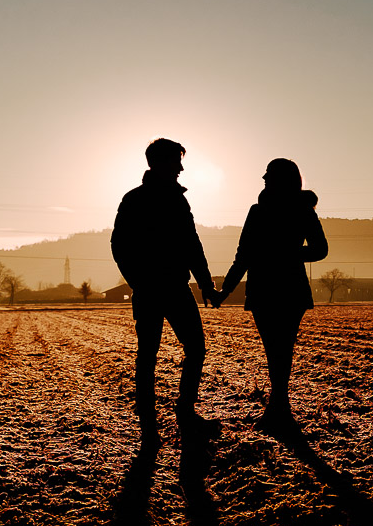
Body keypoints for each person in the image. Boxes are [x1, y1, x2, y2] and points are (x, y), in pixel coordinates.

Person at [111, 138, 220, 443]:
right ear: (160, 163)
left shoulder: (173, 199)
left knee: (181, 350)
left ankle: (181, 415)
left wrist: (206, 284)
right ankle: (152, 424)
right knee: (150, 355)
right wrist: (139, 281)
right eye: (176, 161)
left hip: (173, 287)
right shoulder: (136, 200)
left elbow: (191, 246)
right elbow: (120, 246)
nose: (181, 168)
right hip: (157, 289)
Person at [214, 158, 328, 432]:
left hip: (277, 289)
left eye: (268, 175)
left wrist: (285, 253)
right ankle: (280, 408)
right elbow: (242, 256)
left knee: (279, 349)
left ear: (281, 179)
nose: (263, 179)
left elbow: (320, 249)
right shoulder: (264, 210)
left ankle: (279, 409)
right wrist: (226, 291)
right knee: (278, 349)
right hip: (278, 290)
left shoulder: (286, 211)